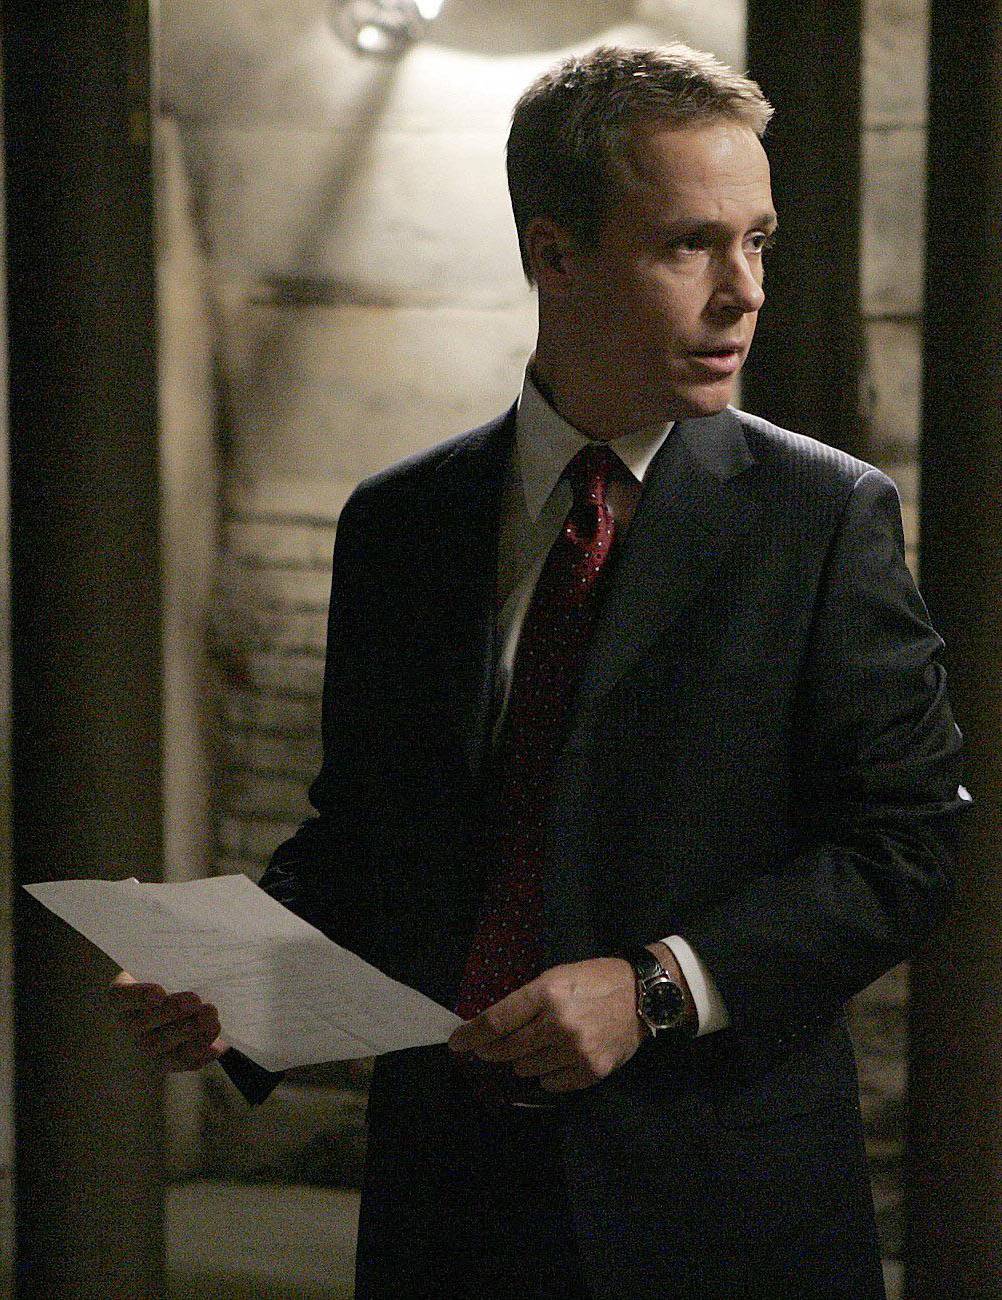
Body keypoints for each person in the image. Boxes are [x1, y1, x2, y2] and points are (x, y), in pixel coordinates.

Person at [110, 44, 968, 1298]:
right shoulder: (401, 522)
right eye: (690, 245)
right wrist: (237, 989)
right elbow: (370, 837)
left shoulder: (823, 516)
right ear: (554, 256)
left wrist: (656, 987)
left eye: (758, 242)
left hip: (715, 1205)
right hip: (450, 1206)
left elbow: (908, 845)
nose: (743, 292)